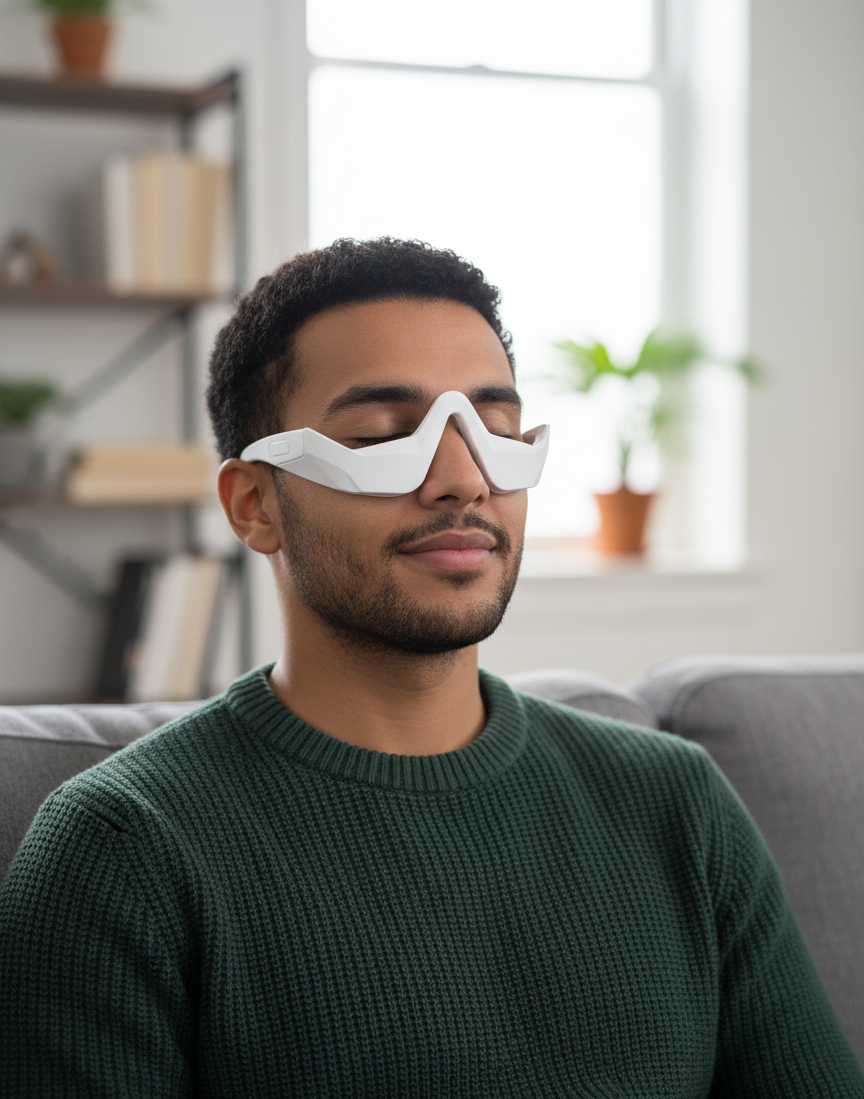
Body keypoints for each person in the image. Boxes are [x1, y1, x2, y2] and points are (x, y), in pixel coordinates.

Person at [0, 238, 861, 1098]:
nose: (463, 478)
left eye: (496, 431)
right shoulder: (121, 849)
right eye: (382, 435)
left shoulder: (678, 801)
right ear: (255, 505)